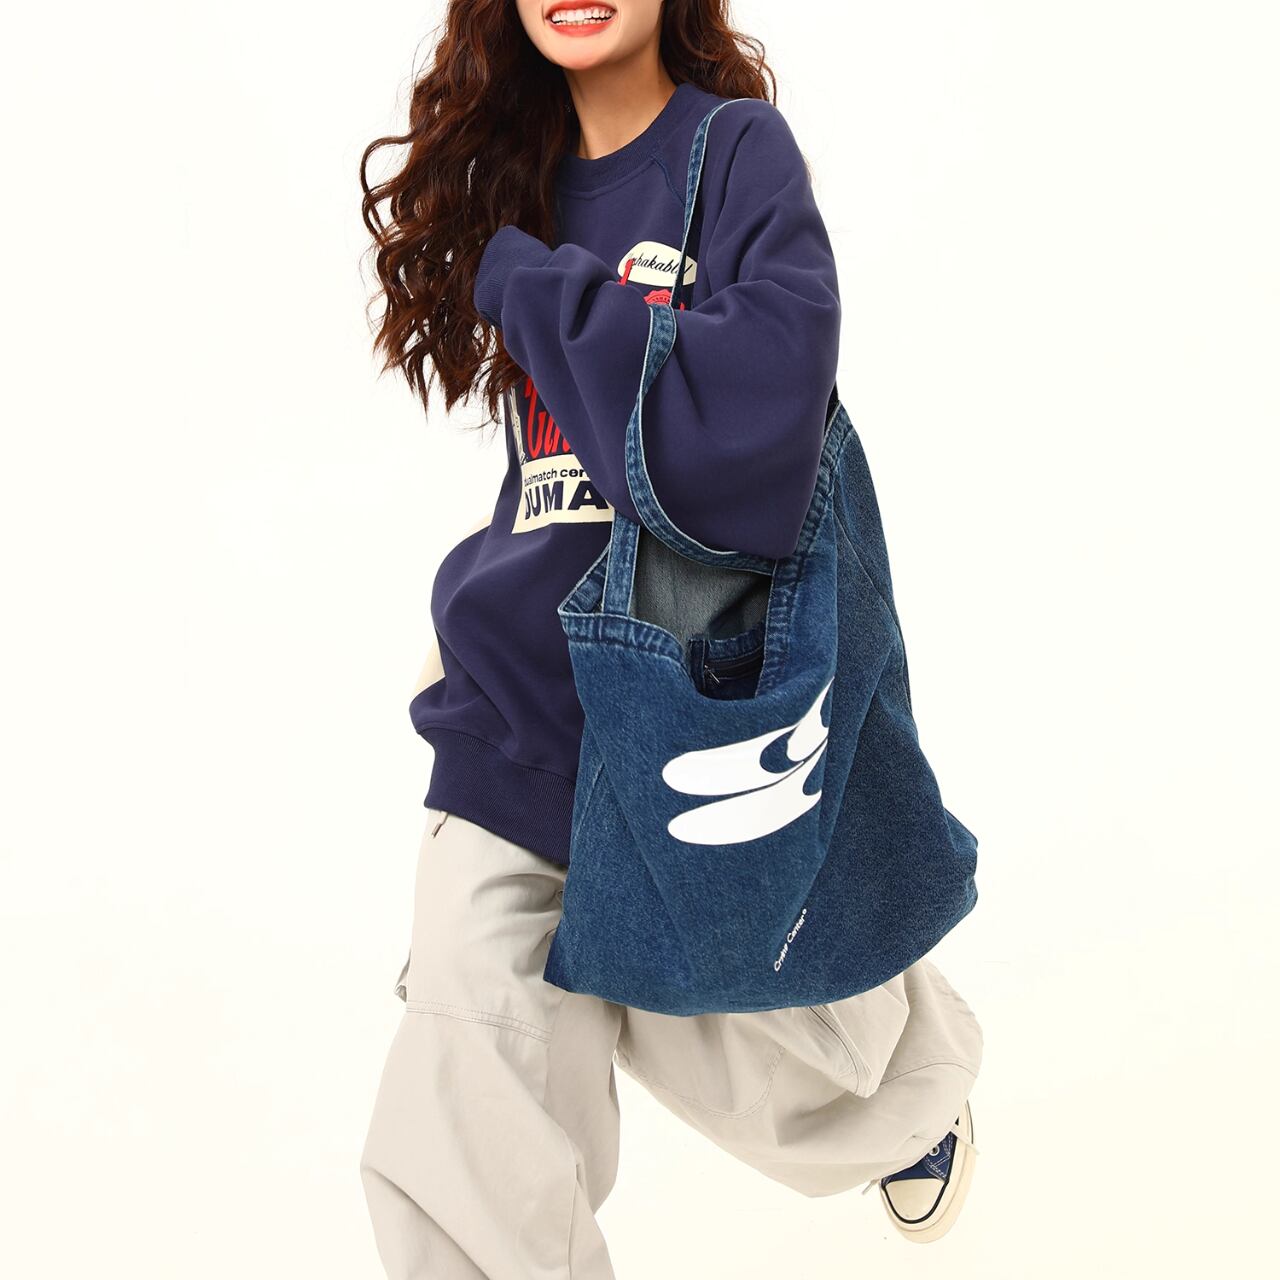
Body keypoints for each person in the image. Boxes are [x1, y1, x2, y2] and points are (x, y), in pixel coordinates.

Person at [358, 3, 983, 1275]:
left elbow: (750, 427)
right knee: (465, 1097)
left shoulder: (730, 153)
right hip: (511, 702)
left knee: (709, 1012)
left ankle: (903, 1089)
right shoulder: (513, 181)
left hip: (677, 697)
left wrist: (533, 284)